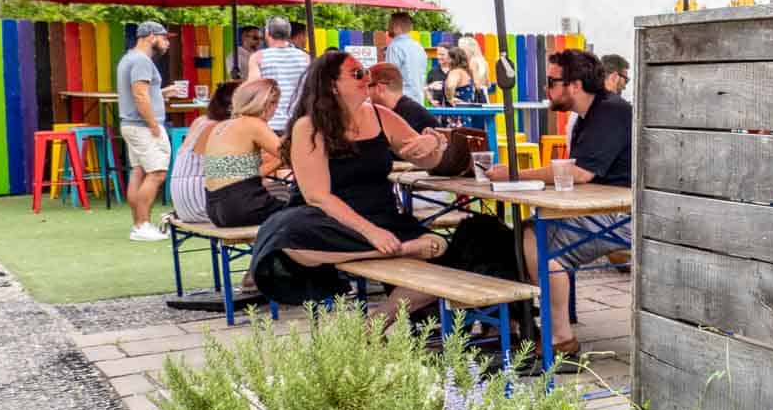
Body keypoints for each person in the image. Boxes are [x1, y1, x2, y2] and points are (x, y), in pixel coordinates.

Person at [248, 51, 465, 310]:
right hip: (328, 219)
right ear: (332, 85)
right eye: (357, 74)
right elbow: (318, 196)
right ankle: (400, 249)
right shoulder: (309, 126)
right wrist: (373, 235)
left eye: (368, 74)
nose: (367, 79)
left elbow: (425, 160)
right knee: (285, 237)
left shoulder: (380, 115)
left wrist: (433, 143)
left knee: (442, 248)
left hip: (380, 214)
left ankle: (377, 322)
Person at [488, 47, 631, 361]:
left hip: (627, 215)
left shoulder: (611, 112)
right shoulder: (587, 116)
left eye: (551, 81)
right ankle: (528, 322)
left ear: (575, 85)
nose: (545, 88)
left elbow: (579, 173)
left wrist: (514, 174)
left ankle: (560, 338)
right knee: (524, 233)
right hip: (599, 208)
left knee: (536, 240)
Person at [117, 20, 185, 241]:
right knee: (157, 173)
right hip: (143, 126)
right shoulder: (142, 61)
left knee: (138, 171)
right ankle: (142, 224)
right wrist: (154, 125)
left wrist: (164, 92)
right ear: (150, 37)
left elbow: (144, 92)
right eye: (164, 37)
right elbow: (139, 95)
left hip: (132, 125)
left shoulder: (129, 58)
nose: (167, 43)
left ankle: (138, 225)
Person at [199, 79, 291, 229]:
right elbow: (290, 155)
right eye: (275, 103)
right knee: (305, 211)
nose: (276, 109)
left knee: (284, 198)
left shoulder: (222, 125)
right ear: (265, 103)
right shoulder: (254, 124)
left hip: (215, 208)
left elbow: (242, 170)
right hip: (242, 205)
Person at [169, 79, 239, 227]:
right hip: (201, 204)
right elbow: (234, 170)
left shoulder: (201, 121)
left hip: (184, 204)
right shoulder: (218, 127)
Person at [248, 16, 309, 135]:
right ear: (288, 33)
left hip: (269, 123)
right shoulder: (306, 58)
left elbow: (253, 90)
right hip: (297, 123)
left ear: (267, 33)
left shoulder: (258, 57)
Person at [366, 62, 437, 132]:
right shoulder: (412, 112)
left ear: (380, 88)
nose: (365, 92)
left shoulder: (409, 118)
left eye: (367, 86)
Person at [383, 12, 428, 103]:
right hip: (419, 100)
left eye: (389, 25)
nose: (387, 29)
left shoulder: (394, 46)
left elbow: (390, 76)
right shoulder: (418, 46)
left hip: (401, 101)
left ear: (396, 27)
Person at [443, 36, 489, 104]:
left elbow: (476, 83)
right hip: (483, 93)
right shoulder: (483, 61)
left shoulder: (472, 62)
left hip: (474, 95)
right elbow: (487, 82)